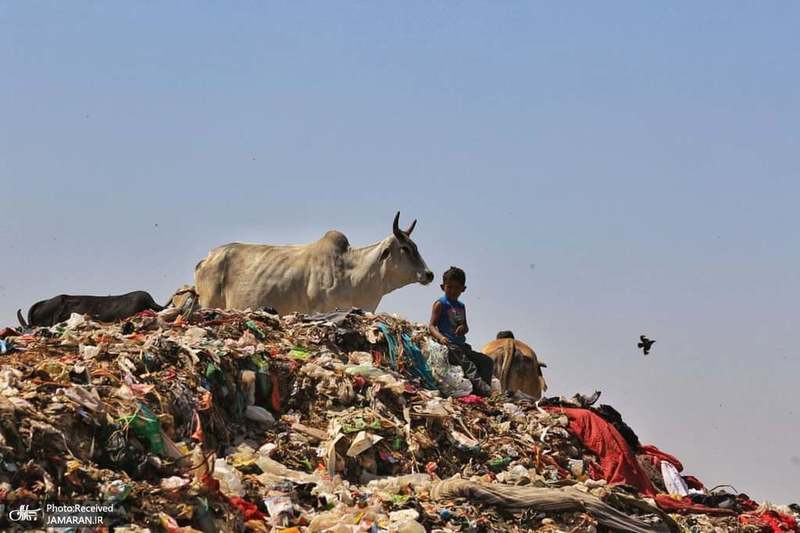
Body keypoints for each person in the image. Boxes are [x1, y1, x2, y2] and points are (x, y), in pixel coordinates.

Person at [428, 266, 494, 396]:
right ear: (443, 287)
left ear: (463, 289)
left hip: (461, 346)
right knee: (468, 364)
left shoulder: (461, 306)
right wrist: (441, 338)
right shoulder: (440, 304)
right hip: (448, 346)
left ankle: (481, 391)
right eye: (449, 287)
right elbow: (431, 326)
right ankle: (486, 391)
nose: (453, 291)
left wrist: (463, 328)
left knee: (486, 361)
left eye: (457, 288)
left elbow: (465, 327)